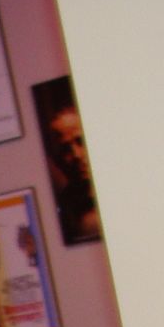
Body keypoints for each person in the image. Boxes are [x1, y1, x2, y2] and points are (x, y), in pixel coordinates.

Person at [41, 93, 101, 243]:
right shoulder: (58, 212)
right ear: (56, 159)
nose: (76, 155)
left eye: (81, 141)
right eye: (65, 148)